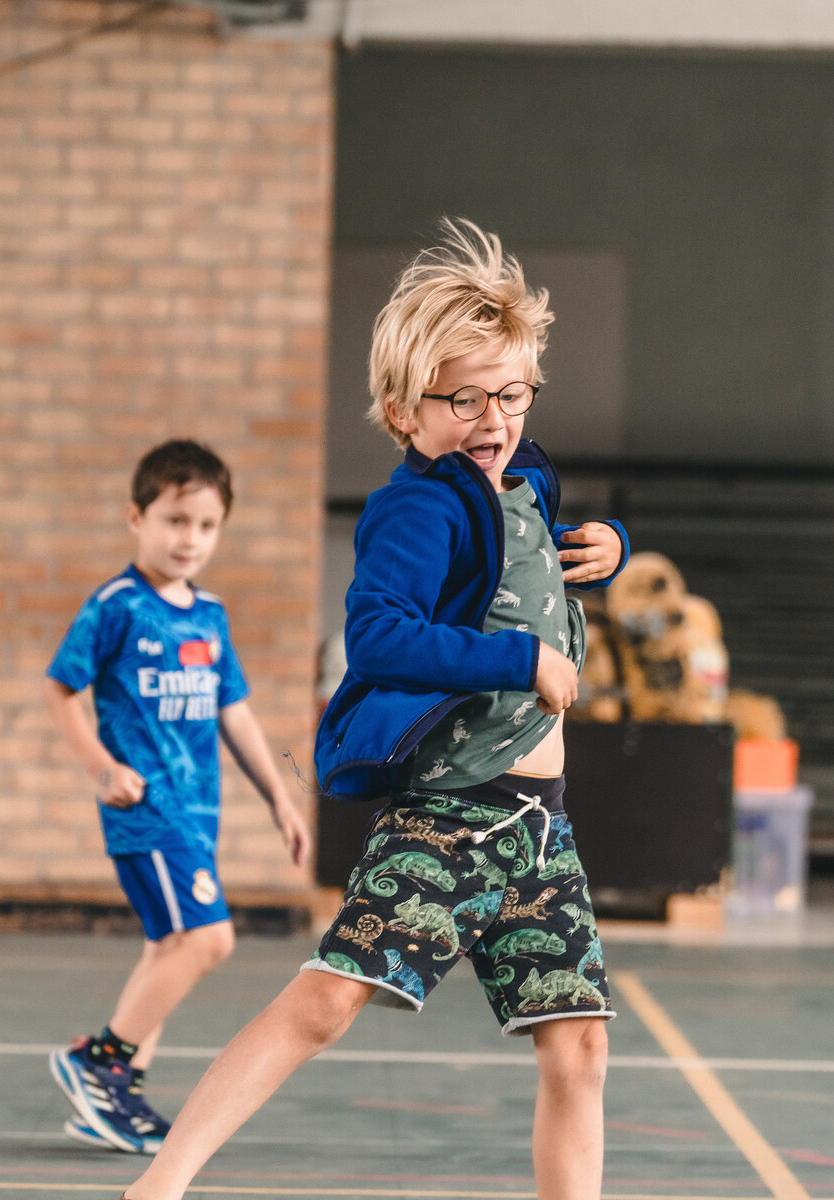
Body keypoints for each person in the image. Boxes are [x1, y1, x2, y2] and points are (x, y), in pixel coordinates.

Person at [122, 219, 630, 1200]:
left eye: (513, 394)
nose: (494, 419)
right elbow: (384, 633)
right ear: (403, 413)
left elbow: (516, 564)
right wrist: (521, 660)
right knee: (324, 1006)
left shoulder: (517, 482)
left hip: (539, 833)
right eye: (465, 399)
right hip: (450, 818)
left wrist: (597, 544)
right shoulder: (416, 509)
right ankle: (163, 1183)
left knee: (578, 1051)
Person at [44, 439, 312, 1154]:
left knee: (168, 945)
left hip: (198, 815)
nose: (190, 538)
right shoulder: (116, 606)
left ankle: (115, 1094)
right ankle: (97, 1063)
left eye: (206, 525)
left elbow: (236, 715)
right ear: (137, 518)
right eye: (175, 520)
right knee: (206, 938)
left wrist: (280, 799)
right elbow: (62, 690)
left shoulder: (210, 615)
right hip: (146, 809)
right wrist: (102, 767)